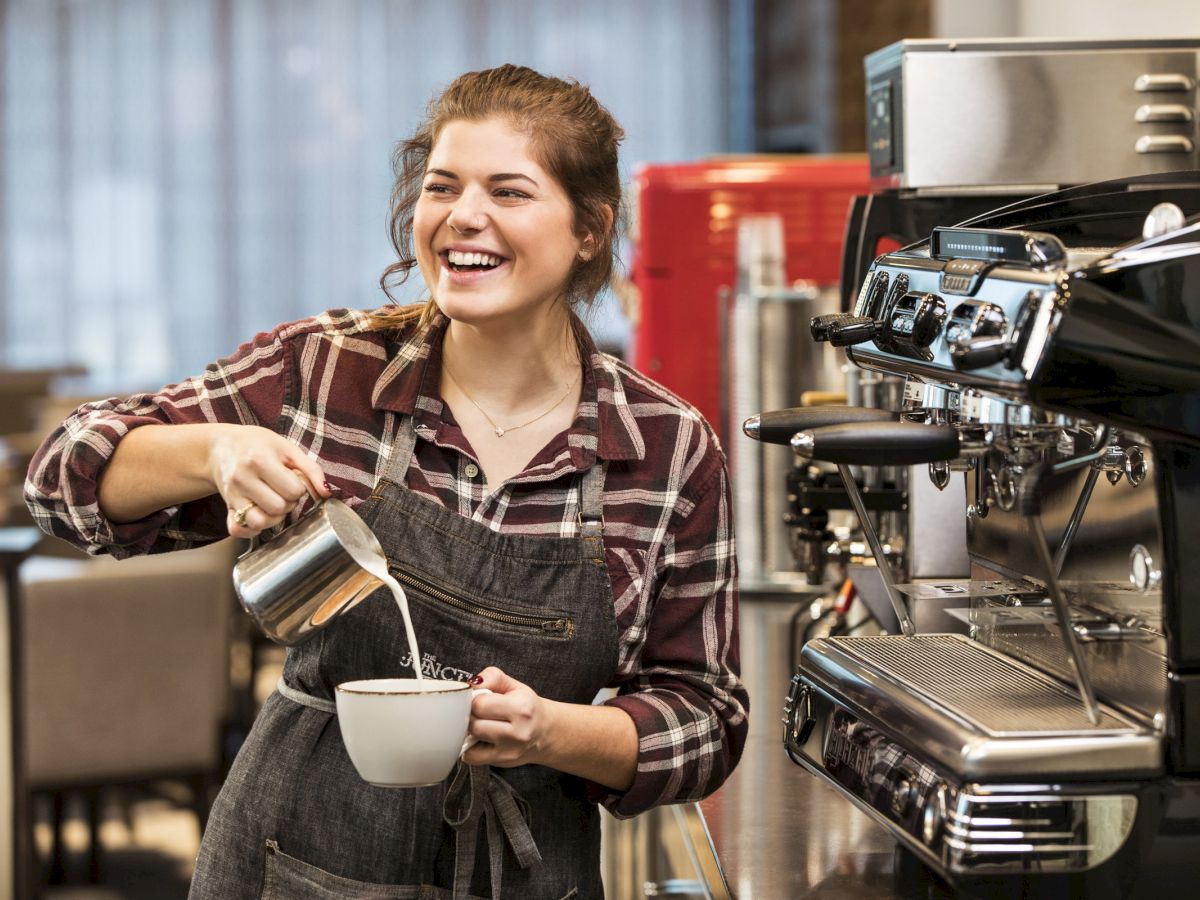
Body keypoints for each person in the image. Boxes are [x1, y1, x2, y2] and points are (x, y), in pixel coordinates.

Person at [26, 64, 748, 899]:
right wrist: (213, 451)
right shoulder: (326, 371)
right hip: (291, 855)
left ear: (591, 229)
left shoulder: (664, 446)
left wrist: (551, 732)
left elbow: (706, 720)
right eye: (443, 186)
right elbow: (61, 478)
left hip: (524, 869)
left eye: (509, 191)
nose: (462, 216)